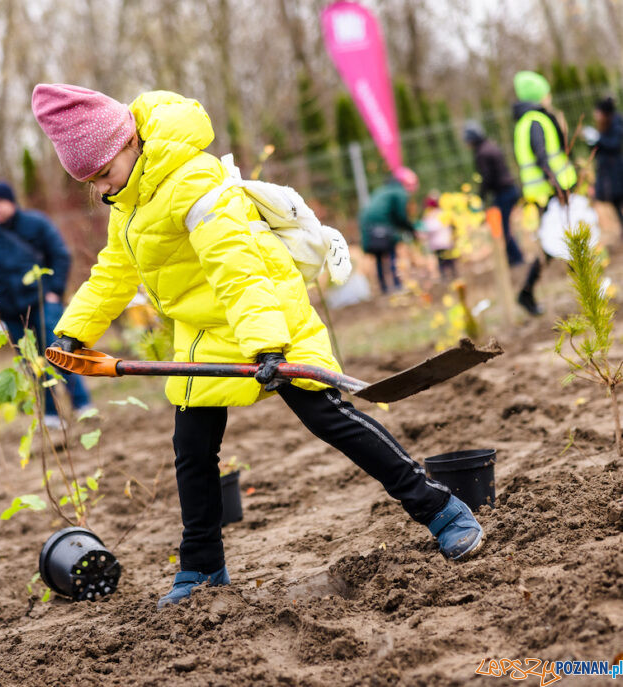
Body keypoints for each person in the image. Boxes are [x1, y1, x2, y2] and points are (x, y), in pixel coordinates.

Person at [31, 84, 484, 609]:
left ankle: (441, 510)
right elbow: (114, 270)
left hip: (268, 312)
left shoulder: (193, 184)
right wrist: (74, 330)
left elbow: (240, 270)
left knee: (328, 417)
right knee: (192, 449)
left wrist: (267, 345)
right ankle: (201, 567)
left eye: (103, 172)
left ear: (128, 139)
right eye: (88, 181)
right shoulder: (126, 204)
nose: (100, 189)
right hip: (205, 335)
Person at [0, 181, 93, 428]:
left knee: (59, 350)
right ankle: (51, 413)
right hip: (10, 311)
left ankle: (82, 404)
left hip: (43, 302)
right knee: (31, 361)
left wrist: (54, 292)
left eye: (0, 203)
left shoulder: (36, 224)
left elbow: (60, 255)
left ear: (12, 203)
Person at [511, 70, 578, 316]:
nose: (549, 97)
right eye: (546, 92)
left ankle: (528, 292)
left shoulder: (526, 122)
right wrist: (558, 187)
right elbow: (542, 158)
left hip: (545, 193)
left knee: (561, 240)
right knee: (560, 241)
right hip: (549, 193)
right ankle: (527, 292)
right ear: (539, 95)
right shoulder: (535, 121)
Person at [462, 120, 524, 266]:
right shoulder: (490, 147)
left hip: (503, 193)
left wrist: (481, 197)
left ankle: (516, 258)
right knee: (505, 226)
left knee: (502, 227)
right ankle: (513, 257)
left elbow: (487, 178)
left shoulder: (482, 153)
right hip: (509, 190)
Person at [359, 170, 418, 294]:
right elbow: (401, 216)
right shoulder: (400, 193)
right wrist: (412, 230)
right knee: (391, 255)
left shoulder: (382, 190)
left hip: (368, 226)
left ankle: (384, 288)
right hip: (383, 225)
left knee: (379, 258)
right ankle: (397, 286)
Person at [591, 97, 623, 236]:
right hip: (608, 171)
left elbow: (614, 145)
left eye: (598, 111)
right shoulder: (604, 125)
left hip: (617, 169)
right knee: (615, 202)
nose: (595, 114)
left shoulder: (616, 125)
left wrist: (598, 138)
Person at [418, 196, 457, 281]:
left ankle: (449, 278)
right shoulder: (442, 213)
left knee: (445, 261)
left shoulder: (432, 215)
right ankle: (451, 277)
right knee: (447, 261)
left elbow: (429, 228)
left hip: (440, 243)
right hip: (445, 242)